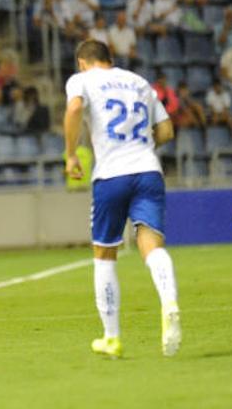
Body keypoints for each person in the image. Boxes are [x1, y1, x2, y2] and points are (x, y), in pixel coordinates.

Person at [63, 39, 181, 359]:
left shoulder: (81, 80)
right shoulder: (140, 82)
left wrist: (71, 154)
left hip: (111, 175)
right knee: (151, 245)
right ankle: (169, 302)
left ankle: (112, 337)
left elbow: (74, 108)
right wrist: (142, 149)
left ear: (82, 62)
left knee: (104, 253)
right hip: (148, 171)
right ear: (110, 59)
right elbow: (167, 130)